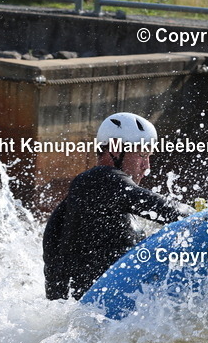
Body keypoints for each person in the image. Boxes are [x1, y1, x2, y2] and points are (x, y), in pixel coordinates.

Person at [43, 112, 194, 300]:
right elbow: (162, 208)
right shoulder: (98, 180)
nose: (146, 166)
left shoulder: (87, 196)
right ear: (115, 149)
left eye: (148, 156)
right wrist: (206, 214)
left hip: (93, 315)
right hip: (94, 316)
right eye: (142, 154)